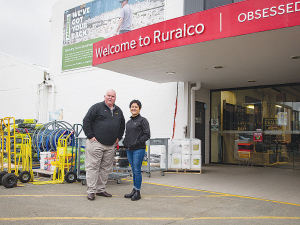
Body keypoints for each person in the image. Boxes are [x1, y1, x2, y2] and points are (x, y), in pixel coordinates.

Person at [82, 89, 125, 201]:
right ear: (104, 96)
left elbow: (122, 126)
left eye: (113, 96)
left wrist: (118, 138)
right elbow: (86, 120)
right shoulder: (97, 107)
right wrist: (90, 136)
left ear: (115, 98)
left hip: (110, 145)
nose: (110, 98)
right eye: (108, 96)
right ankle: (91, 191)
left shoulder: (118, 111)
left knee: (105, 168)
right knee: (93, 167)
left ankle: (100, 189)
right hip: (96, 143)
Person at [123, 100, 150, 201]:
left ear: (139, 109)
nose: (134, 108)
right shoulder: (129, 122)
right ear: (130, 108)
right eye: (132, 106)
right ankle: (134, 190)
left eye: (136, 107)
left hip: (138, 149)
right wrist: (125, 143)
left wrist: (137, 142)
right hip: (129, 150)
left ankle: (138, 192)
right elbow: (127, 135)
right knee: (134, 170)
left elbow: (147, 134)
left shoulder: (143, 121)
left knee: (137, 170)